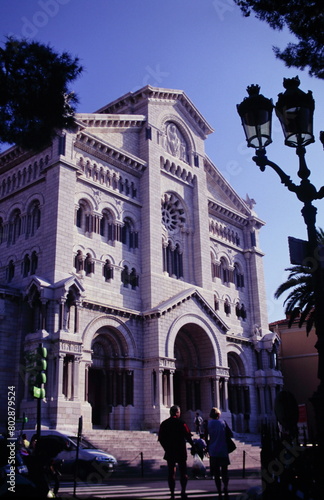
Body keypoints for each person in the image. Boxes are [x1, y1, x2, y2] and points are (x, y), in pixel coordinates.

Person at [158, 405, 195, 500]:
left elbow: (161, 438)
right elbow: (188, 435)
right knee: (183, 472)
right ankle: (183, 491)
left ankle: (172, 493)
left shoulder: (164, 424)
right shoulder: (182, 423)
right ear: (177, 413)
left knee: (171, 473)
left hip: (170, 450)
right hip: (180, 450)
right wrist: (193, 446)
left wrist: (166, 448)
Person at [207, 407, 233, 499]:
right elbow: (230, 434)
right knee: (224, 471)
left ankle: (219, 491)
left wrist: (207, 448)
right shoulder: (223, 423)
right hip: (223, 450)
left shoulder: (208, 424)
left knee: (216, 473)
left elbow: (206, 438)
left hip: (213, 451)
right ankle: (225, 487)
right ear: (218, 415)